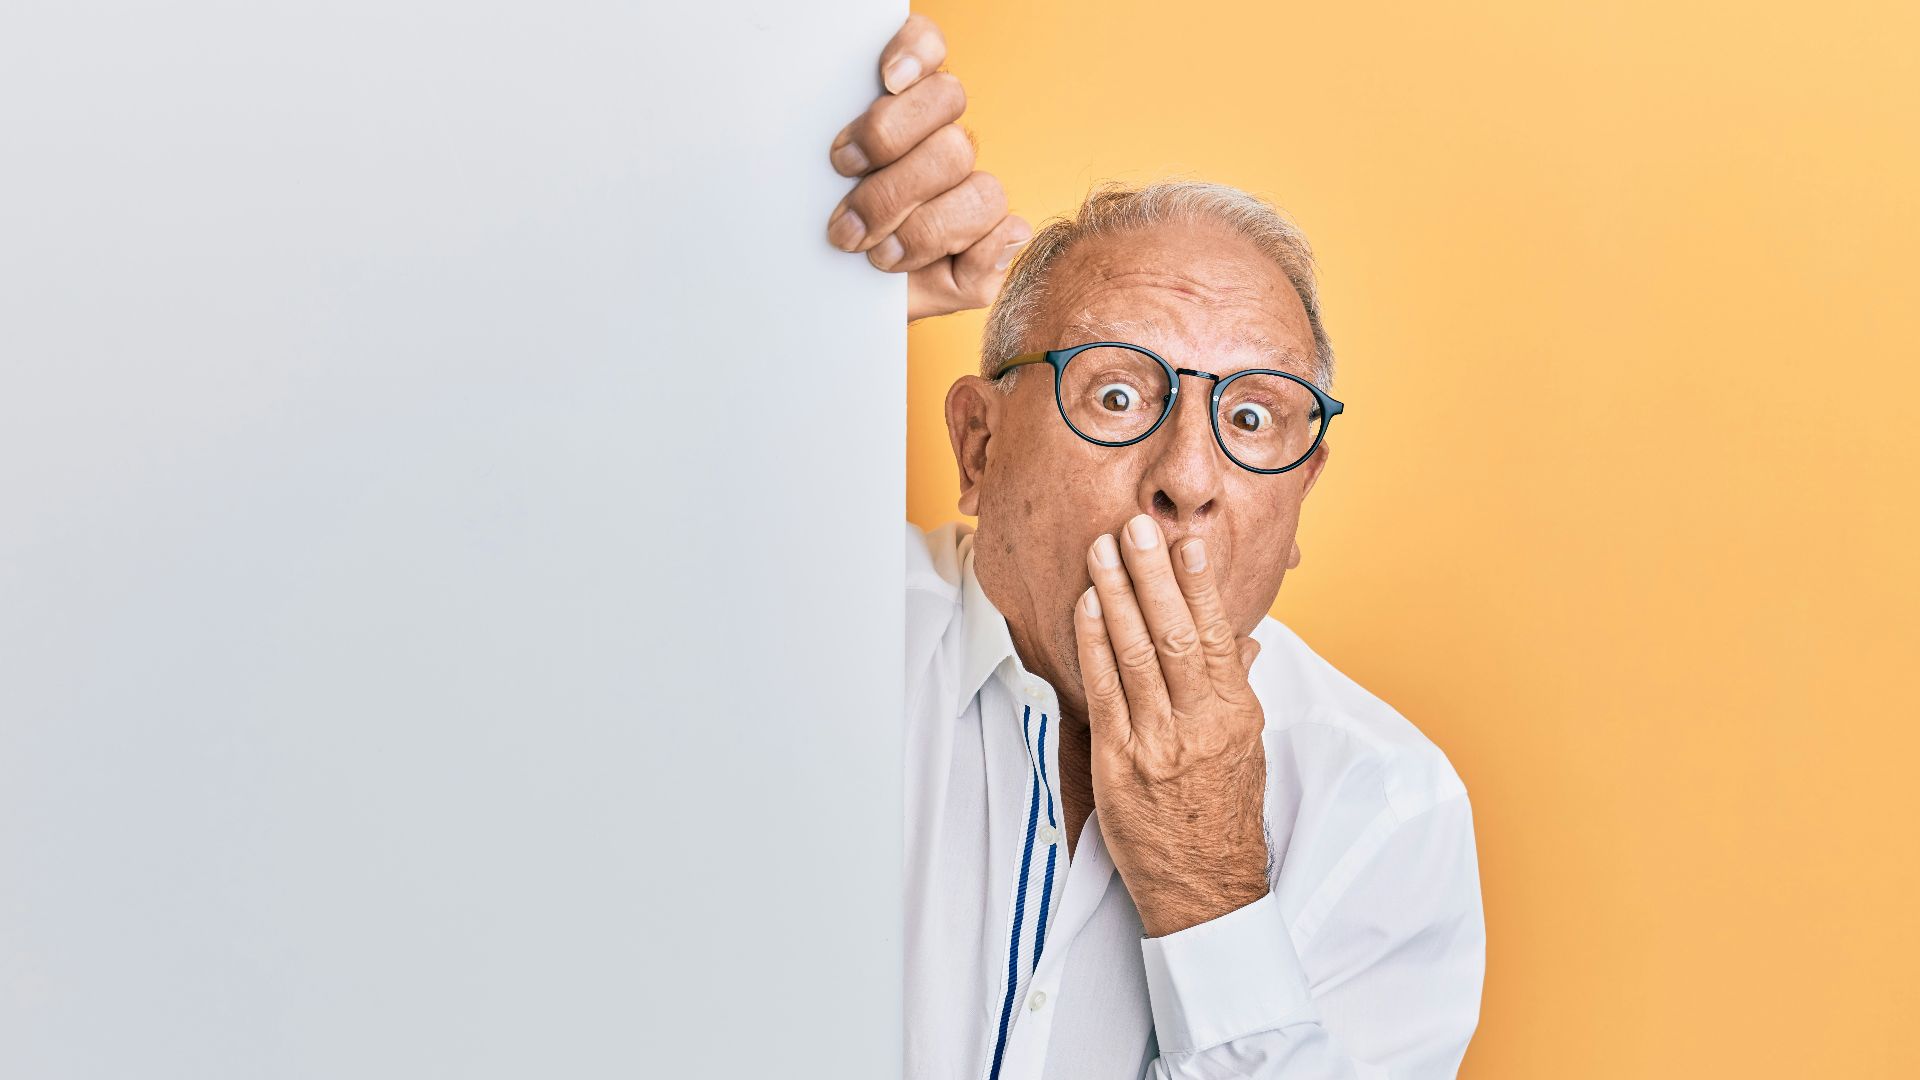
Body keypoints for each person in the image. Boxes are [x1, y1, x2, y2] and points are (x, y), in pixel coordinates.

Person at [830, 16, 1484, 1079]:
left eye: (1254, 421)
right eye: (1120, 394)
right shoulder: (815, 634)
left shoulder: (1385, 806)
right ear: (979, 446)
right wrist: (776, 264)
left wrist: (1206, 887)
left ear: (1300, 499)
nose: (1188, 477)